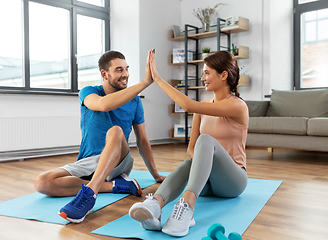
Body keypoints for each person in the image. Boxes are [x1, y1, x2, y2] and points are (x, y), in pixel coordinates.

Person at [34, 50, 165, 223]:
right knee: (42, 182)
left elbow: (142, 140)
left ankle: (90, 194)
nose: (125, 74)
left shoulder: (134, 101)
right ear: (104, 74)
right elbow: (103, 105)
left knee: (116, 131)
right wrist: (145, 82)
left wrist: (155, 174)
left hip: (119, 160)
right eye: (119, 70)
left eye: (126, 69)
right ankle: (116, 186)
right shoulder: (89, 92)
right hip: (88, 161)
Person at [129, 50, 249, 237]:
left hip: (233, 181)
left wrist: (158, 80)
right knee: (189, 162)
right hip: (206, 183)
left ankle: (187, 206)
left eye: (207, 73)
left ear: (223, 75)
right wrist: (202, 164)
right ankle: (155, 206)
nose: (203, 78)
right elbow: (191, 149)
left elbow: (188, 106)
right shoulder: (202, 109)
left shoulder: (238, 106)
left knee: (206, 139)